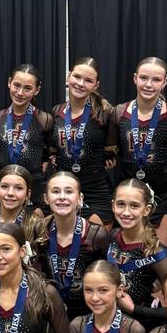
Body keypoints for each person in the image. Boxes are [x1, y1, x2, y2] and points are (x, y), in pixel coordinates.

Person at [115, 57, 167, 247]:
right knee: (132, 253)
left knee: (155, 257)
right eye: (144, 78)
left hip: (165, 195)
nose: (149, 84)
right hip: (129, 198)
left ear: (165, 82)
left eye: (156, 80)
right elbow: (110, 151)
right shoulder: (118, 113)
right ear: (135, 78)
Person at [32, 172, 111, 319]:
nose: (62, 196)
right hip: (51, 311)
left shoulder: (96, 235)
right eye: (56, 191)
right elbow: (38, 269)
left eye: (69, 191)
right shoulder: (39, 230)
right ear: (46, 199)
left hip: (88, 313)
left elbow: (111, 277)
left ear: (80, 199)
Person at [50, 57, 118, 225]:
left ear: (96, 85)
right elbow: (51, 146)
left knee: (93, 247)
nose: (80, 83)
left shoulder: (105, 113)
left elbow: (123, 141)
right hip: (64, 193)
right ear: (68, 76)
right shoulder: (56, 111)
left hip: (97, 192)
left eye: (88, 80)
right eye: (77, 77)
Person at [107, 179, 167, 330]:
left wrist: (134, 309)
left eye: (134, 206)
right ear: (112, 205)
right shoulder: (112, 236)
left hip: (144, 327)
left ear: (146, 210)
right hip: (112, 323)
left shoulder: (154, 251)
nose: (126, 212)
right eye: (121, 204)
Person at [0, 64, 53, 205]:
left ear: (37, 90)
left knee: (33, 226)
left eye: (27, 88)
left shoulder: (45, 119)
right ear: (9, 83)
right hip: (6, 186)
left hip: (35, 186)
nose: (20, 93)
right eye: (17, 85)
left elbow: (50, 152)